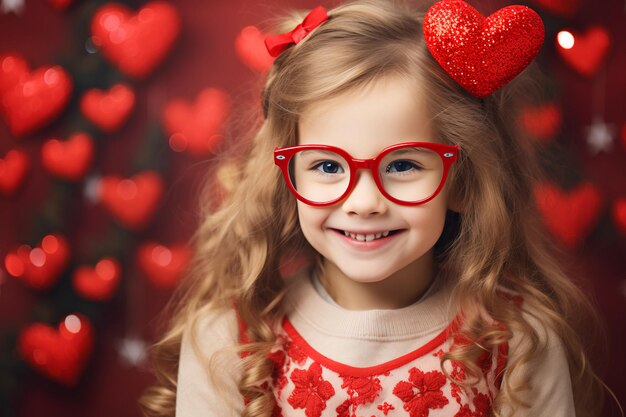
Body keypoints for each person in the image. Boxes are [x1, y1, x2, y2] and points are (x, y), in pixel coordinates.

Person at [140, 0, 609, 416]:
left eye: (402, 164)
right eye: (326, 166)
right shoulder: (228, 341)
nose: (363, 203)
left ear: (463, 181)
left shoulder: (518, 344)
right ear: (288, 178)